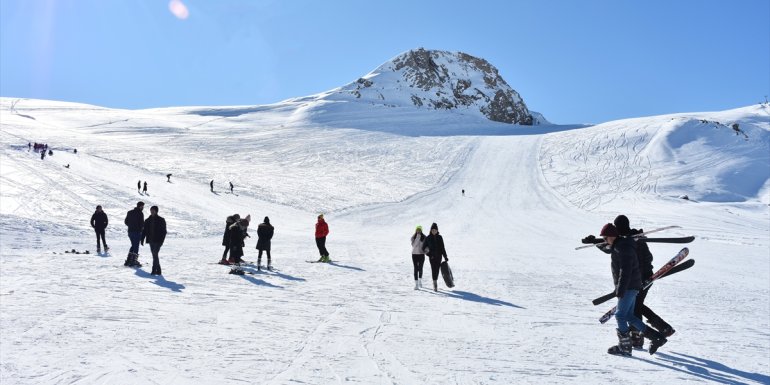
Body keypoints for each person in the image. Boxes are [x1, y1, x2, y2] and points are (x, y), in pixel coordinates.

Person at [598, 223, 667, 356]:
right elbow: (608, 249)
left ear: (612, 236)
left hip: (628, 286)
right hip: (632, 286)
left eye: (605, 238)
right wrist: (596, 244)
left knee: (619, 315)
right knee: (629, 316)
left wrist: (620, 289)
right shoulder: (621, 245)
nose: (605, 241)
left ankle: (625, 347)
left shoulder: (622, 247)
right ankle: (657, 337)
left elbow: (626, 270)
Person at [613, 215, 676, 347]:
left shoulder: (635, 240)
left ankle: (637, 337)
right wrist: (596, 243)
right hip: (636, 278)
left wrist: (639, 277)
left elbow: (643, 259)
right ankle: (663, 328)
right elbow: (611, 247)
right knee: (636, 306)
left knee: (635, 306)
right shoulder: (624, 240)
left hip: (642, 277)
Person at [141, 206, 167, 276]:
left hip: (158, 241)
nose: (152, 211)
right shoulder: (147, 220)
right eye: (151, 210)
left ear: (156, 211)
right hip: (151, 240)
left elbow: (164, 231)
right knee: (154, 255)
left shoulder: (161, 220)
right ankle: (158, 270)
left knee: (155, 253)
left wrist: (162, 241)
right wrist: (142, 239)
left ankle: (153, 270)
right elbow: (144, 231)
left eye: (153, 210)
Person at [422, 223, 448, 292]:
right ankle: (435, 284)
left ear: (437, 230)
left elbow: (443, 248)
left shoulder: (440, 237)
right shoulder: (428, 238)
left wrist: (445, 256)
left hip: (439, 256)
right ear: (431, 230)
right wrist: (429, 255)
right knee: (433, 270)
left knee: (437, 270)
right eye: (433, 230)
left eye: (435, 230)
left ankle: (435, 280)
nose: (434, 231)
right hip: (432, 257)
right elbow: (423, 248)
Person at [124, 202, 145, 267]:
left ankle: (129, 259)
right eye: (142, 206)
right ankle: (134, 261)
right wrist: (141, 230)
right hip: (137, 232)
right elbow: (142, 224)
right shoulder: (140, 213)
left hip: (130, 231)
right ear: (140, 206)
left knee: (133, 245)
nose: (143, 208)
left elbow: (126, 221)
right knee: (136, 246)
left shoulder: (129, 212)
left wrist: (130, 226)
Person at [410, 225, 426, 290]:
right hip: (414, 254)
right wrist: (417, 238)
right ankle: (416, 284)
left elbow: (426, 246)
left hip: (421, 254)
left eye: (419, 230)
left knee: (420, 268)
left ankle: (420, 281)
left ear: (421, 230)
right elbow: (413, 245)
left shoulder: (425, 237)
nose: (418, 231)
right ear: (416, 230)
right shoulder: (413, 237)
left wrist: (426, 250)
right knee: (416, 268)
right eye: (417, 230)